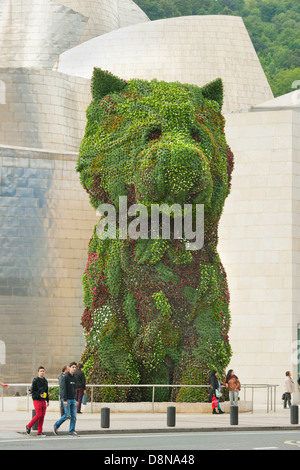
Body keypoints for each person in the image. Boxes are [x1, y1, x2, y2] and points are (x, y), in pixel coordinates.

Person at [53, 362, 78, 436]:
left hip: (73, 399)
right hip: (67, 399)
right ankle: (56, 425)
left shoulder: (75, 377)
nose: (74, 368)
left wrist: (76, 399)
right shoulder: (66, 377)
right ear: (69, 368)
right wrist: (65, 399)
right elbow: (63, 389)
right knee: (67, 415)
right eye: (73, 367)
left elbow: (74, 389)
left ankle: (72, 431)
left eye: (75, 367)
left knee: (74, 416)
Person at [26, 366, 49, 436]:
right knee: (38, 415)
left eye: (43, 371)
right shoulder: (35, 380)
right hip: (37, 400)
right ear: (38, 372)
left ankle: (39, 431)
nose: (42, 372)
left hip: (43, 400)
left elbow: (46, 391)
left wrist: (47, 400)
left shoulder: (45, 381)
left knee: (42, 416)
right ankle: (28, 426)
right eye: (41, 371)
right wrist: (39, 395)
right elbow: (33, 391)